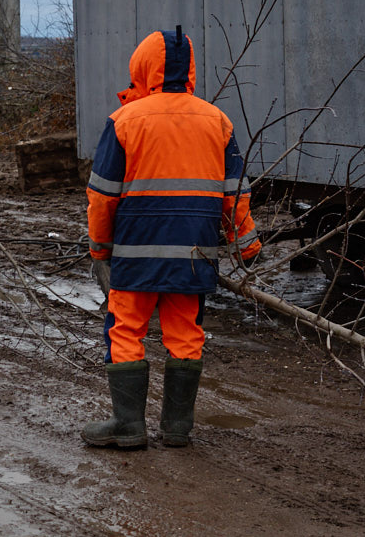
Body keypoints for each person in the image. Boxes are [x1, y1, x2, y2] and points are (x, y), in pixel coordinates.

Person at [83, 28, 261, 448]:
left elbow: (102, 195)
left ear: (142, 68)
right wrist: (247, 245)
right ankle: (178, 428)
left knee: (125, 331)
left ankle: (128, 426)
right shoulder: (217, 121)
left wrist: (100, 248)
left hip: (135, 253)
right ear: (190, 69)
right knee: (185, 334)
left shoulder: (124, 121)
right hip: (194, 255)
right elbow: (236, 194)